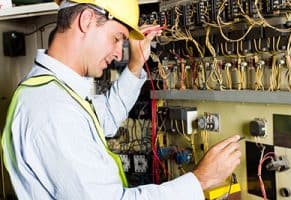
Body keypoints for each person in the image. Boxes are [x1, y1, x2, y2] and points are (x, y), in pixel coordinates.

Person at [1, 0, 242, 199]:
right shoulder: (51, 109)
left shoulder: (53, 91)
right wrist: (200, 180)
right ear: (86, 20)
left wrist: (136, 65)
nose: (119, 53)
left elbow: (103, 118)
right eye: (116, 38)